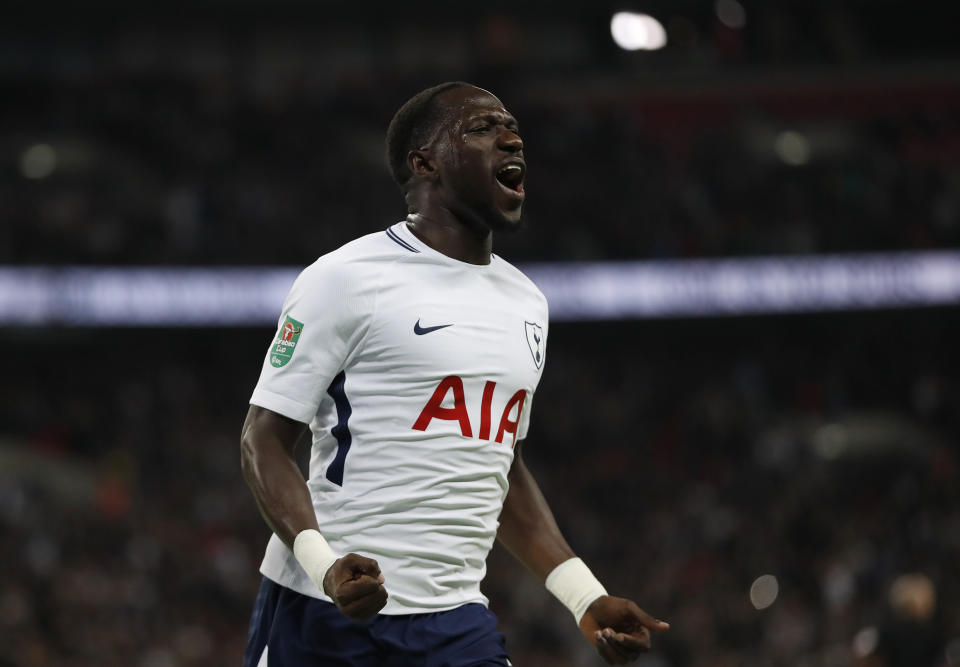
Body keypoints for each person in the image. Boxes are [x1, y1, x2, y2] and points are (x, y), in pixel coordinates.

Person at [240, 81, 669, 666]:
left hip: (455, 625)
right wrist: (325, 566)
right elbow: (262, 439)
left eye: (511, 125)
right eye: (482, 128)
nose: (511, 137)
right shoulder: (344, 278)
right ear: (425, 163)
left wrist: (583, 595)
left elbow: (501, 467)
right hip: (322, 615)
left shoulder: (527, 303)